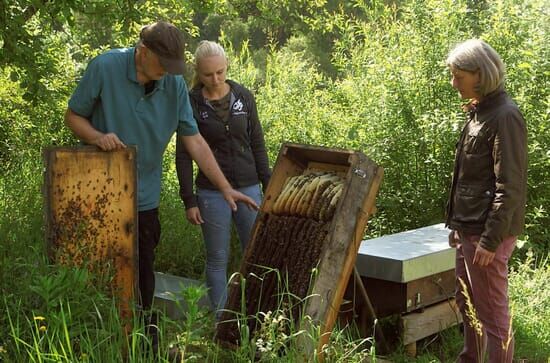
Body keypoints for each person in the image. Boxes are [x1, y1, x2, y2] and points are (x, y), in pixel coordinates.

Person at [64, 21, 258, 353]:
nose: (167, 72)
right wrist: (98, 137)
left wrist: (224, 187)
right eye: (162, 64)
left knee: (143, 276)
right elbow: (73, 116)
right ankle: (92, 339)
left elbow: (194, 140)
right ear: (143, 52)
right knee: (96, 269)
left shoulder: (174, 85)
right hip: (99, 191)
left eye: (173, 66)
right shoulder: (106, 67)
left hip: (144, 196)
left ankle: (141, 346)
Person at [445, 39, 527, 363]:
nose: (453, 84)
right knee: (467, 304)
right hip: (470, 228)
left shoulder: (505, 117)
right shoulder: (479, 112)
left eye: (458, 76)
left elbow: (510, 186)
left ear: (479, 74)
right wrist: (457, 225)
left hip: (487, 234)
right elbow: (470, 178)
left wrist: (490, 240)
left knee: (493, 316)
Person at [176, 40, 271, 316]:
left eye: (220, 72)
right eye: (208, 74)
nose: (215, 79)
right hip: (210, 193)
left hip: (250, 187)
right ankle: (221, 322)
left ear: (227, 66)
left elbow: (257, 143)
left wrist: (269, 185)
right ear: (197, 71)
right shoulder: (191, 103)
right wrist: (188, 200)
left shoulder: (243, 96)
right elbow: (183, 155)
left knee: (255, 256)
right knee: (217, 259)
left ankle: (258, 317)